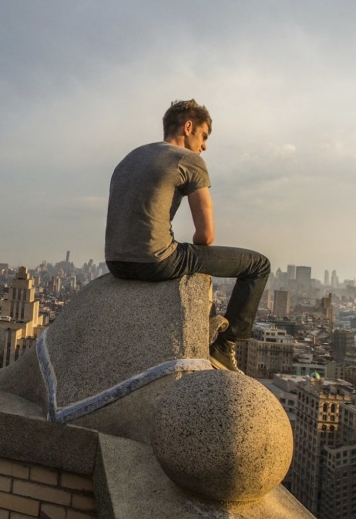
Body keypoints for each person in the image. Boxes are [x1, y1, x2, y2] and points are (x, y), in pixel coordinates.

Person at [104, 99, 270, 371]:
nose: (204, 145)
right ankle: (224, 346)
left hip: (115, 262)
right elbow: (205, 236)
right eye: (204, 136)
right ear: (188, 126)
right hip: (155, 261)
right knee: (259, 265)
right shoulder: (189, 160)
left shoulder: (130, 158)